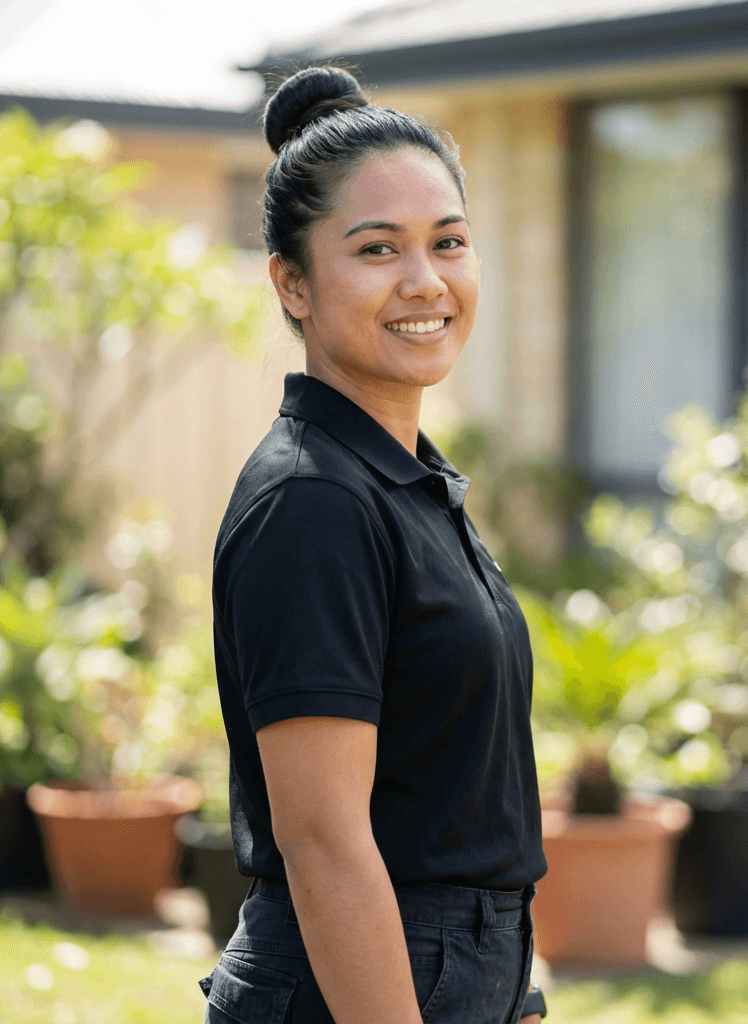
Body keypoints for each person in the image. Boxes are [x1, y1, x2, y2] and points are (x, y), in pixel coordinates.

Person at [198, 65, 548, 1023]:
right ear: (293, 283)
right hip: (359, 981)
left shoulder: (398, 479)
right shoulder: (313, 503)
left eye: (450, 242)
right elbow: (324, 843)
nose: (424, 280)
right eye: (376, 249)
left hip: (456, 970)